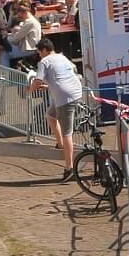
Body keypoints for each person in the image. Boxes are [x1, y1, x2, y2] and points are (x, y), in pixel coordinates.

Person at [29, 39, 84, 177]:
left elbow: (37, 80)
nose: (39, 55)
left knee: (67, 133)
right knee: (50, 115)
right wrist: (48, 87)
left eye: (39, 52)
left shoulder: (44, 62)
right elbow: (64, 76)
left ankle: (69, 168)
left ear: (44, 50)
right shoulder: (62, 57)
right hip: (74, 91)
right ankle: (60, 143)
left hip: (65, 98)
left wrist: (29, 90)